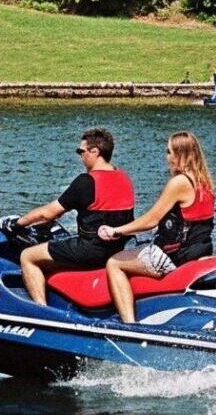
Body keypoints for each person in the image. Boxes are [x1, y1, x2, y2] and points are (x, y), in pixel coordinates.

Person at [96, 132, 216, 324]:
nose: (167, 156)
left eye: (169, 152)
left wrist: (116, 230)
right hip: (199, 251)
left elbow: (151, 220)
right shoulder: (205, 182)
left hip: (172, 257)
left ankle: (129, 325)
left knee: (114, 263)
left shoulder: (179, 183)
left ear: (181, 154)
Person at [14, 128, 136, 307]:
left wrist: (18, 223)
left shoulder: (86, 181)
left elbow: (48, 213)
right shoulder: (123, 177)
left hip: (92, 251)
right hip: (118, 249)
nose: (80, 156)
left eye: (81, 151)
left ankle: (41, 310)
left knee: (28, 256)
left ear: (95, 152)